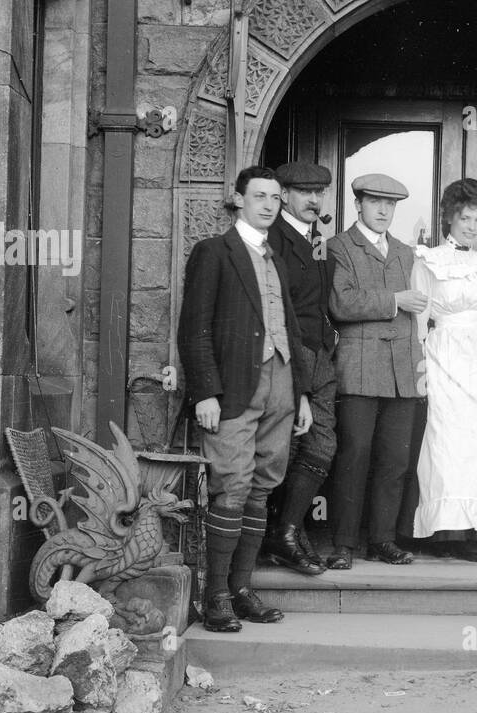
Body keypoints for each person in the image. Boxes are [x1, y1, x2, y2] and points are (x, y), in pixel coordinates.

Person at [177, 165, 314, 632]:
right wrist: (205, 393)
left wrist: (302, 393)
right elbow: (193, 328)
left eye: (276, 197)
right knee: (232, 483)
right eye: (260, 196)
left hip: (281, 384)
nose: (269, 204)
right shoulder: (213, 252)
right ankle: (215, 595)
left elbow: (290, 329)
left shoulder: (275, 256)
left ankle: (240, 588)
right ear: (238, 199)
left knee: (263, 483)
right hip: (234, 387)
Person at [325, 173, 428, 570]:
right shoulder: (339, 247)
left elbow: (422, 316)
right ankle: (344, 544)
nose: (383, 210)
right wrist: (395, 300)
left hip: (402, 372)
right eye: (375, 202)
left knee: (395, 461)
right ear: (358, 205)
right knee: (355, 455)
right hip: (359, 368)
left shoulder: (405, 252)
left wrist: (420, 369)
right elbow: (341, 303)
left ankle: (382, 539)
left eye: (390, 204)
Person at [410, 178, 477, 561]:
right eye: (464, 217)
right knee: (446, 441)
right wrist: (419, 366)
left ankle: (475, 531)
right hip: (445, 353)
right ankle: (446, 531)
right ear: (449, 218)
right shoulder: (429, 260)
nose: (471, 226)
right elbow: (420, 319)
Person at [262, 162, 337, 575]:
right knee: (286, 447)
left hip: (320, 356)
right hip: (289, 356)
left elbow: (320, 303)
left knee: (322, 446)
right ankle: (281, 536)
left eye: (320, 192)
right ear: (284, 195)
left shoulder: (319, 240)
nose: (314, 199)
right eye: (304, 191)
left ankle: (287, 531)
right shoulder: (273, 237)